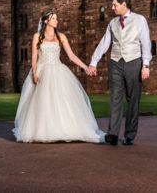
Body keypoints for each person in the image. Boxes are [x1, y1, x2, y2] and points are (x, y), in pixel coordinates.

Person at [13, 10, 106, 143]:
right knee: (43, 102)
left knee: (62, 101)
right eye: (53, 18)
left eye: (57, 18)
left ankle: (66, 129)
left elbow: (71, 55)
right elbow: (34, 56)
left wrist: (86, 67)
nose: (56, 20)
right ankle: (44, 130)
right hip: (42, 70)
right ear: (46, 21)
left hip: (58, 70)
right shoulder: (37, 36)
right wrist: (34, 72)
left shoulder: (61, 36)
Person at [86, 0, 151, 145]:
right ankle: (113, 134)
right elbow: (104, 43)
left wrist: (146, 65)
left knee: (133, 99)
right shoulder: (113, 22)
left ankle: (129, 135)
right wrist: (93, 62)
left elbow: (146, 43)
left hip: (134, 61)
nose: (112, 7)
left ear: (124, 4)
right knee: (115, 98)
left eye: (114, 5)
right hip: (115, 62)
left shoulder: (139, 20)